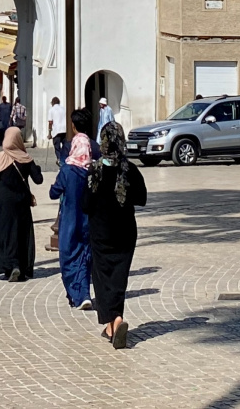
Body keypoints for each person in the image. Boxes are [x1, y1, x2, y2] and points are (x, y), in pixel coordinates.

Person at [85, 119, 147, 349]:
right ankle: (113, 324)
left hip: (101, 233)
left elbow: (85, 204)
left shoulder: (94, 170)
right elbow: (141, 198)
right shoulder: (130, 169)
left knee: (102, 279)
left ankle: (114, 321)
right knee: (119, 278)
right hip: (125, 233)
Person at [0, 127, 43, 282]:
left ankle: (6, 266)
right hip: (20, 203)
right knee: (19, 234)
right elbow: (38, 179)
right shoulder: (25, 158)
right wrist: (36, 168)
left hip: (1, 203)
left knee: (2, 234)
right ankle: (18, 265)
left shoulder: (0, 158)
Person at [50, 132, 93, 310]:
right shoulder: (91, 171)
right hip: (87, 221)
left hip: (70, 220)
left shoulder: (67, 170)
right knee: (84, 257)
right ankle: (84, 294)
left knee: (68, 257)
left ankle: (76, 295)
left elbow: (54, 193)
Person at [47, 96, 66, 163]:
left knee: (57, 147)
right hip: (64, 130)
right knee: (65, 146)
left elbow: (50, 122)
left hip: (56, 131)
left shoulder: (51, 110)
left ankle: (60, 159)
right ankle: (64, 159)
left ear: (52, 103)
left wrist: (49, 133)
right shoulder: (64, 108)